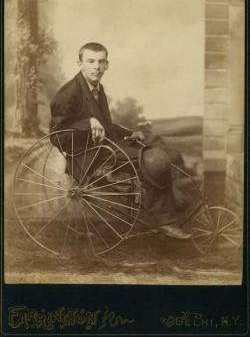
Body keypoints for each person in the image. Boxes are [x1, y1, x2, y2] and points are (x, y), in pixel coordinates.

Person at [50, 42, 191, 239]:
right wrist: (87, 122)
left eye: (101, 62)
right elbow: (56, 135)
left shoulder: (97, 90)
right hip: (87, 156)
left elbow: (106, 128)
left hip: (104, 147)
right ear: (80, 64)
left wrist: (128, 133)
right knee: (152, 161)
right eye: (90, 61)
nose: (96, 67)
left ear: (107, 64)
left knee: (154, 145)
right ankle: (165, 220)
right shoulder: (69, 94)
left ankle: (168, 200)